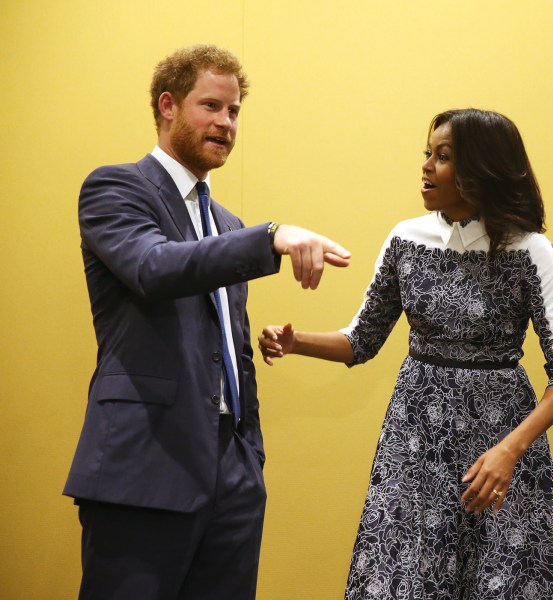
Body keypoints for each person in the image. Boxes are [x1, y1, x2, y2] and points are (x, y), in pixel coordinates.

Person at [259, 108, 553, 599]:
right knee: (404, 578)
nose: (427, 167)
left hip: (499, 446)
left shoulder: (531, 251)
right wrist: (295, 341)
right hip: (415, 441)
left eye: (444, 156)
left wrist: (509, 451)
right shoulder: (406, 239)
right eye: (428, 154)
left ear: (482, 169)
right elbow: (360, 340)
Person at [63, 44, 351, 599]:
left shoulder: (227, 223)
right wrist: (271, 238)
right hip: (143, 468)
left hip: (233, 478)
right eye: (211, 106)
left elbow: (232, 350)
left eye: (235, 112)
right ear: (168, 106)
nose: (226, 123)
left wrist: (250, 456)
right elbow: (154, 266)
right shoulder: (116, 187)